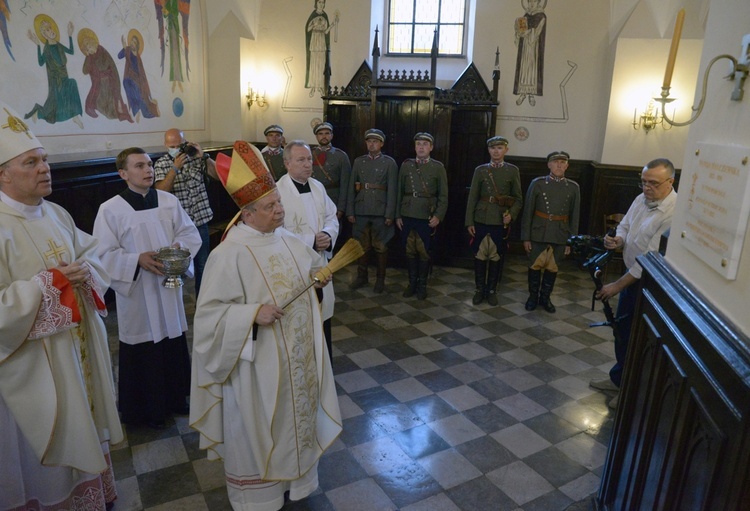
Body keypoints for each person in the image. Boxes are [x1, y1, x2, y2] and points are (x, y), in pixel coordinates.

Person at [189, 140, 341, 511]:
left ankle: (295, 483)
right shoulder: (229, 254)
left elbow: (308, 274)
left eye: (279, 202)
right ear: (248, 212)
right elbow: (209, 319)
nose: (280, 210)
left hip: (297, 361)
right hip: (257, 370)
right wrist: (251, 314)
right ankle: (259, 496)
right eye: (271, 206)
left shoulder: (287, 239)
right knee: (261, 432)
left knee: (296, 422)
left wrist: (318, 280)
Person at [0, 100, 122, 510]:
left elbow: (92, 253)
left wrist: (86, 271)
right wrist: (48, 285)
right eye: (31, 161)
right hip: (33, 368)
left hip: (77, 354)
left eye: (45, 160)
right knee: (42, 461)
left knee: (83, 422)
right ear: (3, 174)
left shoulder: (55, 213)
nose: (44, 168)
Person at [93, 147, 201, 429]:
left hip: (168, 285)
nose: (148, 170)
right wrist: (136, 260)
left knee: (173, 337)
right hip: (138, 291)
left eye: (150, 165)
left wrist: (179, 249)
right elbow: (101, 255)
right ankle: (145, 410)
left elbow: (188, 233)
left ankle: (176, 399)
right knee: (143, 344)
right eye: (139, 166)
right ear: (123, 173)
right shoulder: (110, 210)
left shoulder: (168, 201)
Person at [590, 158, 677, 409]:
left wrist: (617, 286)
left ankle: (630, 390)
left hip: (649, 283)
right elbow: (626, 226)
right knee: (623, 331)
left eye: (653, 183)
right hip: (631, 275)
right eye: (643, 182)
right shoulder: (641, 199)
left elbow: (649, 259)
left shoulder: (674, 211)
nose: (646, 188)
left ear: (670, 182)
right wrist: (617, 240)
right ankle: (619, 379)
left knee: (637, 339)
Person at [277, 140, 338, 358]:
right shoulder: (278, 193)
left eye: (309, 159)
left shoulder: (318, 187)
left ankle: (324, 369)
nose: (307, 164)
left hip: (321, 262)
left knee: (322, 319)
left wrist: (328, 235)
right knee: (301, 320)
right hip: (296, 269)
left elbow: (332, 216)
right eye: (301, 160)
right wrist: (311, 241)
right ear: (287, 163)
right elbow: (276, 232)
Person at [153, 128, 219, 296]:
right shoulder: (161, 164)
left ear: (185, 143)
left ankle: (203, 304)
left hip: (200, 222)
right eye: (172, 146)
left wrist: (203, 156)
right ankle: (176, 305)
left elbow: (219, 176)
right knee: (177, 269)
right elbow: (161, 191)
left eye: (179, 145)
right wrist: (174, 169)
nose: (176, 149)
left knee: (203, 265)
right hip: (178, 228)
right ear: (166, 145)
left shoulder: (196, 158)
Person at [465, 136, 522, 306]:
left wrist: (511, 214)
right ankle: (479, 289)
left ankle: (491, 290)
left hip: (500, 219)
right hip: (481, 218)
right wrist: (469, 221)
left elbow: (518, 198)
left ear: (506, 150)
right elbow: (472, 197)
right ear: (488, 150)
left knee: (497, 256)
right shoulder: (480, 170)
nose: (496, 151)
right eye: (493, 148)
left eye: (499, 148)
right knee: (480, 255)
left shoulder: (512, 170)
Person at [521, 150, 580, 313]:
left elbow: (575, 216)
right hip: (538, 232)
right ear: (549, 165)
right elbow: (528, 212)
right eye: (556, 162)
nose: (559, 165)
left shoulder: (573, 187)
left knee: (552, 267)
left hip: (560, 233)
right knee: (534, 266)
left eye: (563, 162)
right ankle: (532, 297)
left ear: (567, 166)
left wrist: (571, 240)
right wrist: (526, 237)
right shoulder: (538, 183)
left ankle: (545, 298)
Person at [396, 132, 448, 300]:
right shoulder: (406, 165)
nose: (421, 147)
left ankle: (422, 285)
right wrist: (397, 215)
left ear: (431, 147)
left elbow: (443, 195)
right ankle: (412, 283)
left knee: (424, 251)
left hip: (427, 215)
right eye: (418, 144)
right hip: (407, 213)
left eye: (425, 144)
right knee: (409, 250)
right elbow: (399, 192)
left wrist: (438, 215)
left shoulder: (438, 167)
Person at [346, 129, 398, 293]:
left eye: (375, 141)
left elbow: (393, 190)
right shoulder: (358, 162)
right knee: (362, 246)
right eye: (369, 141)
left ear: (381, 144)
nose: (372, 144)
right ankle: (362, 277)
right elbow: (351, 188)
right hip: (361, 208)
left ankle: (380, 279)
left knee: (381, 246)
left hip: (380, 210)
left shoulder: (389, 163)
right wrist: (350, 211)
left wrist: (390, 213)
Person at [25, 15, 84, 128]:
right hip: (56, 82)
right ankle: (38, 113)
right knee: (53, 110)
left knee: (72, 84)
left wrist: (70, 35)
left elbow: (71, 51)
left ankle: (75, 116)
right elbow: (41, 62)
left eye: (51, 28)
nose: (51, 31)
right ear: (44, 34)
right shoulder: (47, 49)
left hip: (64, 77)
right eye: (47, 30)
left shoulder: (58, 44)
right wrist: (37, 45)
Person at [79, 28, 133, 122]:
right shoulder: (90, 57)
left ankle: (120, 111)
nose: (90, 50)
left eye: (90, 47)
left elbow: (111, 66)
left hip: (109, 83)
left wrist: (115, 84)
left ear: (93, 44)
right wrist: (88, 58)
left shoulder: (102, 51)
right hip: (99, 84)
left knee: (112, 112)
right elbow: (85, 70)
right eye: (87, 50)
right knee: (100, 103)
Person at [118, 29, 160, 121]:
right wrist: (124, 48)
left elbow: (141, 72)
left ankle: (145, 112)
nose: (132, 43)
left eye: (134, 42)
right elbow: (119, 56)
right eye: (131, 41)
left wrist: (143, 84)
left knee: (139, 96)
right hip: (128, 78)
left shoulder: (138, 57)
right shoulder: (128, 50)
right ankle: (137, 111)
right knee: (133, 94)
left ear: (137, 45)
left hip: (137, 80)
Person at [311, 121, 351, 218]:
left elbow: (345, 184)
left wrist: (341, 207)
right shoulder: (309, 155)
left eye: (327, 133)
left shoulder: (341, 156)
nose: (324, 136)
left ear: (332, 135)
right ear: (316, 137)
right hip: (313, 198)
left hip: (333, 198)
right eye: (320, 134)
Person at [513, 0, 547, 106]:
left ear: (538, 2)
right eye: (530, 1)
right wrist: (519, 32)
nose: (532, 3)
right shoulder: (526, 15)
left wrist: (529, 33)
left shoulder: (541, 16)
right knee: (524, 70)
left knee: (532, 70)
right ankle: (523, 93)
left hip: (534, 49)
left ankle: (531, 94)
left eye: (534, 1)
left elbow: (537, 32)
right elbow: (520, 31)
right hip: (524, 49)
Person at [305, 0, 338, 97]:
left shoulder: (325, 16)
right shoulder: (313, 15)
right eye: (319, 2)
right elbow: (307, 29)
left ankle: (320, 86)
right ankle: (313, 86)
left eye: (323, 3)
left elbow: (326, 31)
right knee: (314, 64)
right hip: (314, 40)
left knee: (321, 64)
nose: (321, 4)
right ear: (316, 4)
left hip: (322, 41)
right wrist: (314, 25)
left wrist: (332, 24)